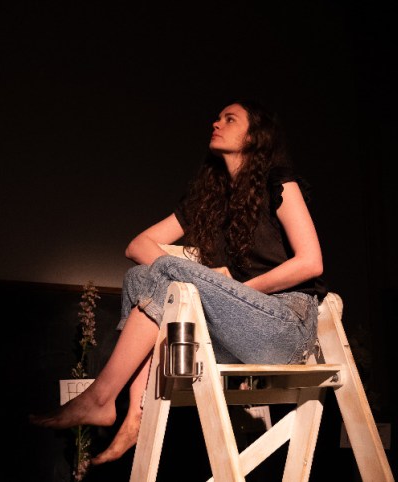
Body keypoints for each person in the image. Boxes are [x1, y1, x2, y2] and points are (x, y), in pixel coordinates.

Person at [30, 99, 328, 465]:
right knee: (142, 275)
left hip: (285, 326)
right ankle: (134, 414)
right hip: (232, 334)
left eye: (230, 119)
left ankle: (100, 397)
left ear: (255, 136)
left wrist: (229, 289)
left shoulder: (278, 181)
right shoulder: (210, 201)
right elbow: (137, 246)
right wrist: (206, 285)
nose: (216, 123)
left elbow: (311, 262)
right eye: (217, 117)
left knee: (168, 271)